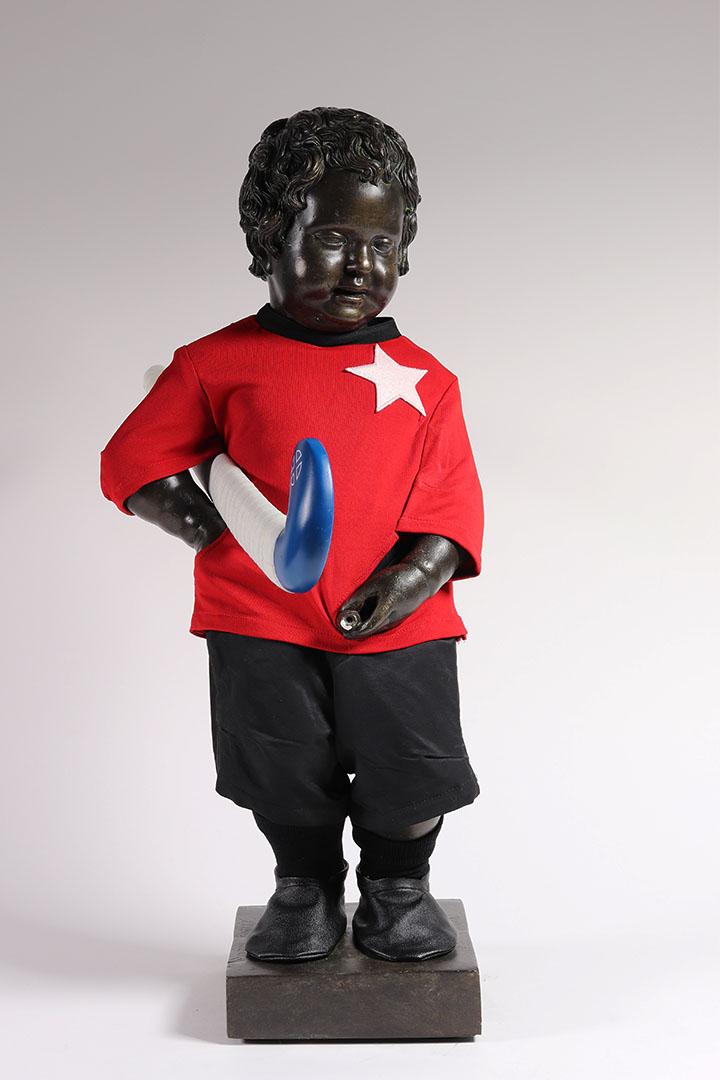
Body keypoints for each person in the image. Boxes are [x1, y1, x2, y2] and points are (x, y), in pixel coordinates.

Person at [100, 107, 485, 964]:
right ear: (271, 239)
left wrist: (413, 577)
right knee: (280, 761)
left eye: (382, 244)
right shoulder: (214, 365)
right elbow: (133, 459)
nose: (361, 265)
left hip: (399, 622)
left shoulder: (427, 381)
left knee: (410, 760)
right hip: (260, 616)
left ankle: (398, 887)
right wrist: (210, 528)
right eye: (334, 238)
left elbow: (452, 504)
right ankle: (303, 883)